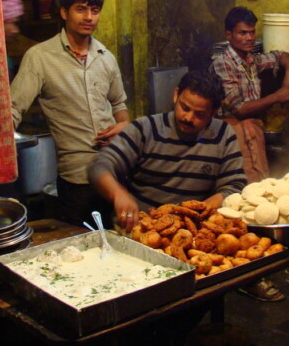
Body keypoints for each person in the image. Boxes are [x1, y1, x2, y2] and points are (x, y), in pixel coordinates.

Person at [10, 0, 129, 228]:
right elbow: (12, 108)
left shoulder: (106, 57)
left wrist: (123, 126)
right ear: (64, 12)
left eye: (94, 10)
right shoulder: (40, 57)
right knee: (82, 250)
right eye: (80, 9)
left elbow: (119, 105)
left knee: (121, 245)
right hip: (77, 179)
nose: (89, 17)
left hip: (116, 171)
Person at [209, 6, 289, 302]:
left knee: (260, 194)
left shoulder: (251, 59)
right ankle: (248, 274)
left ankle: (259, 262)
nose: (248, 38)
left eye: (251, 32)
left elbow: (283, 55)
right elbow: (238, 108)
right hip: (233, 134)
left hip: (253, 134)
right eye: (242, 33)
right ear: (228, 35)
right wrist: (278, 96)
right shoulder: (223, 62)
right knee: (243, 200)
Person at [88, 69, 246, 233]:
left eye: (200, 114)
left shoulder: (223, 135)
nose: (188, 118)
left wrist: (201, 210)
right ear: (176, 95)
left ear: (213, 113)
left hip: (192, 232)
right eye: (185, 107)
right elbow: (100, 166)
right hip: (139, 228)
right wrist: (118, 195)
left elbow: (234, 186)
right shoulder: (146, 128)